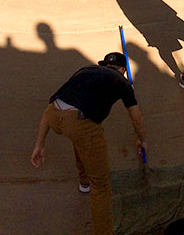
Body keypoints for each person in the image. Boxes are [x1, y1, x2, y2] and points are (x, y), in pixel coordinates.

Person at [31, 52, 148, 235]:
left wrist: (39, 145)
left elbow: (52, 107)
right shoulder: (123, 83)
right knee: (101, 186)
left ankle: (84, 180)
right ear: (123, 70)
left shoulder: (86, 69)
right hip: (79, 122)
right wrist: (142, 140)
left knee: (80, 138)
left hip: (54, 114)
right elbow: (137, 120)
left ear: (103, 65)